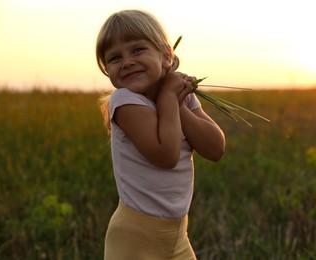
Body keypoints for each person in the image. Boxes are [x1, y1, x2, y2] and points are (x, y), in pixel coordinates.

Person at [96, 9, 225, 259]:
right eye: (114, 57)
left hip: (177, 235)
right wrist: (168, 98)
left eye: (137, 50)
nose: (127, 61)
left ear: (166, 55)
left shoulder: (180, 98)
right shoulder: (125, 102)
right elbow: (166, 155)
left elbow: (215, 149)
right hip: (134, 238)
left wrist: (176, 101)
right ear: (106, 69)